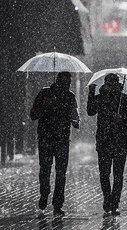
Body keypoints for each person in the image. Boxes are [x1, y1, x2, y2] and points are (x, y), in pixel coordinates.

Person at [87, 74, 127, 216]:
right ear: (105, 84)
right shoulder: (101, 98)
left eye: (114, 84)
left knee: (118, 174)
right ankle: (107, 199)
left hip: (120, 141)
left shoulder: (125, 99)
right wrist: (91, 93)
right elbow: (90, 111)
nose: (111, 87)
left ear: (118, 85)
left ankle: (115, 203)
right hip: (104, 141)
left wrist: (122, 118)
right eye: (109, 84)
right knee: (104, 173)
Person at [30, 71, 80, 216]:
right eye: (64, 82)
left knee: (60, 172)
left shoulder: (70, 97)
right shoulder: (44, 94)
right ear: (57, 81)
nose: (66, 85)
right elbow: (33, 115)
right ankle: (45, 194)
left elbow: (76, 119)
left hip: (61, 140)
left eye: (68, 83)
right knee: (46, 169)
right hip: (47, 139)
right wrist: (46, 107)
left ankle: (57, 203)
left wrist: (75, 121)